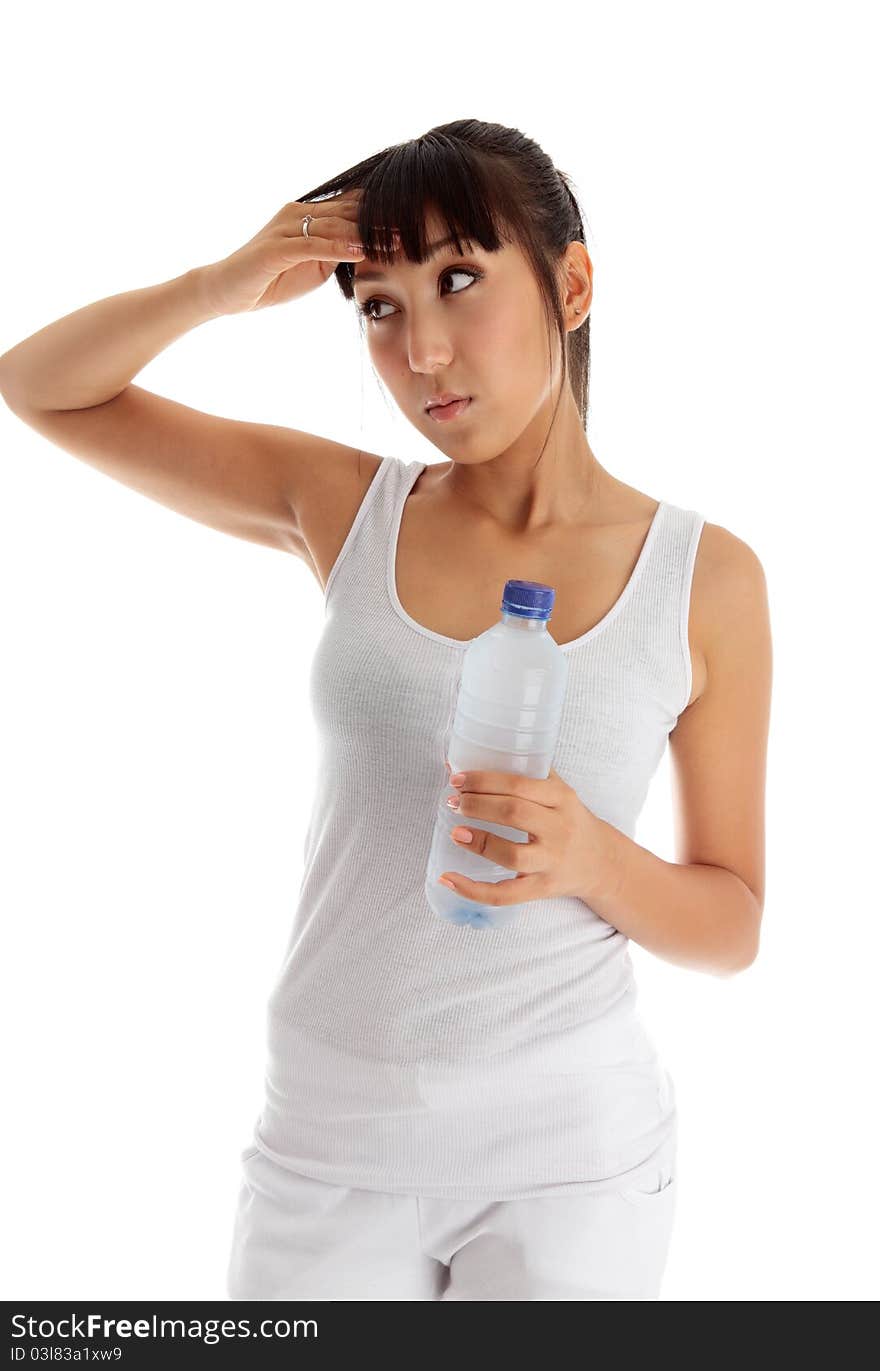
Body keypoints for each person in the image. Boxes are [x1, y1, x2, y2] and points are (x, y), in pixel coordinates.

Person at [0, 119, 772, 1301]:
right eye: (378, 306)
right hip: (329, 1134)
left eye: (459, 280)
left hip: (567, 1159)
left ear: (569, 286)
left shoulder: (701, 578)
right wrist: (220, 284)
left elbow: (731, 923)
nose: (422, 351)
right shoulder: (346, 506)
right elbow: (39, 387)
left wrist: (591, 857)